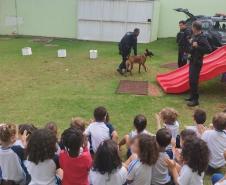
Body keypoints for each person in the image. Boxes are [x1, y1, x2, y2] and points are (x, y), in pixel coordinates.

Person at [186, 21, 212, 107]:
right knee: (190, 79)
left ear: (195, 28)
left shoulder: (202, 37)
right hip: (192, 60)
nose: (191, 29)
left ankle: (195, 100)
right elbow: (192, 47)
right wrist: (191, 44)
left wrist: (197, 46)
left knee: (194, 81)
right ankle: (191, 96)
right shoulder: (195, 36)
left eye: (192, 27)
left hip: (197, 62)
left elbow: (209, 49)